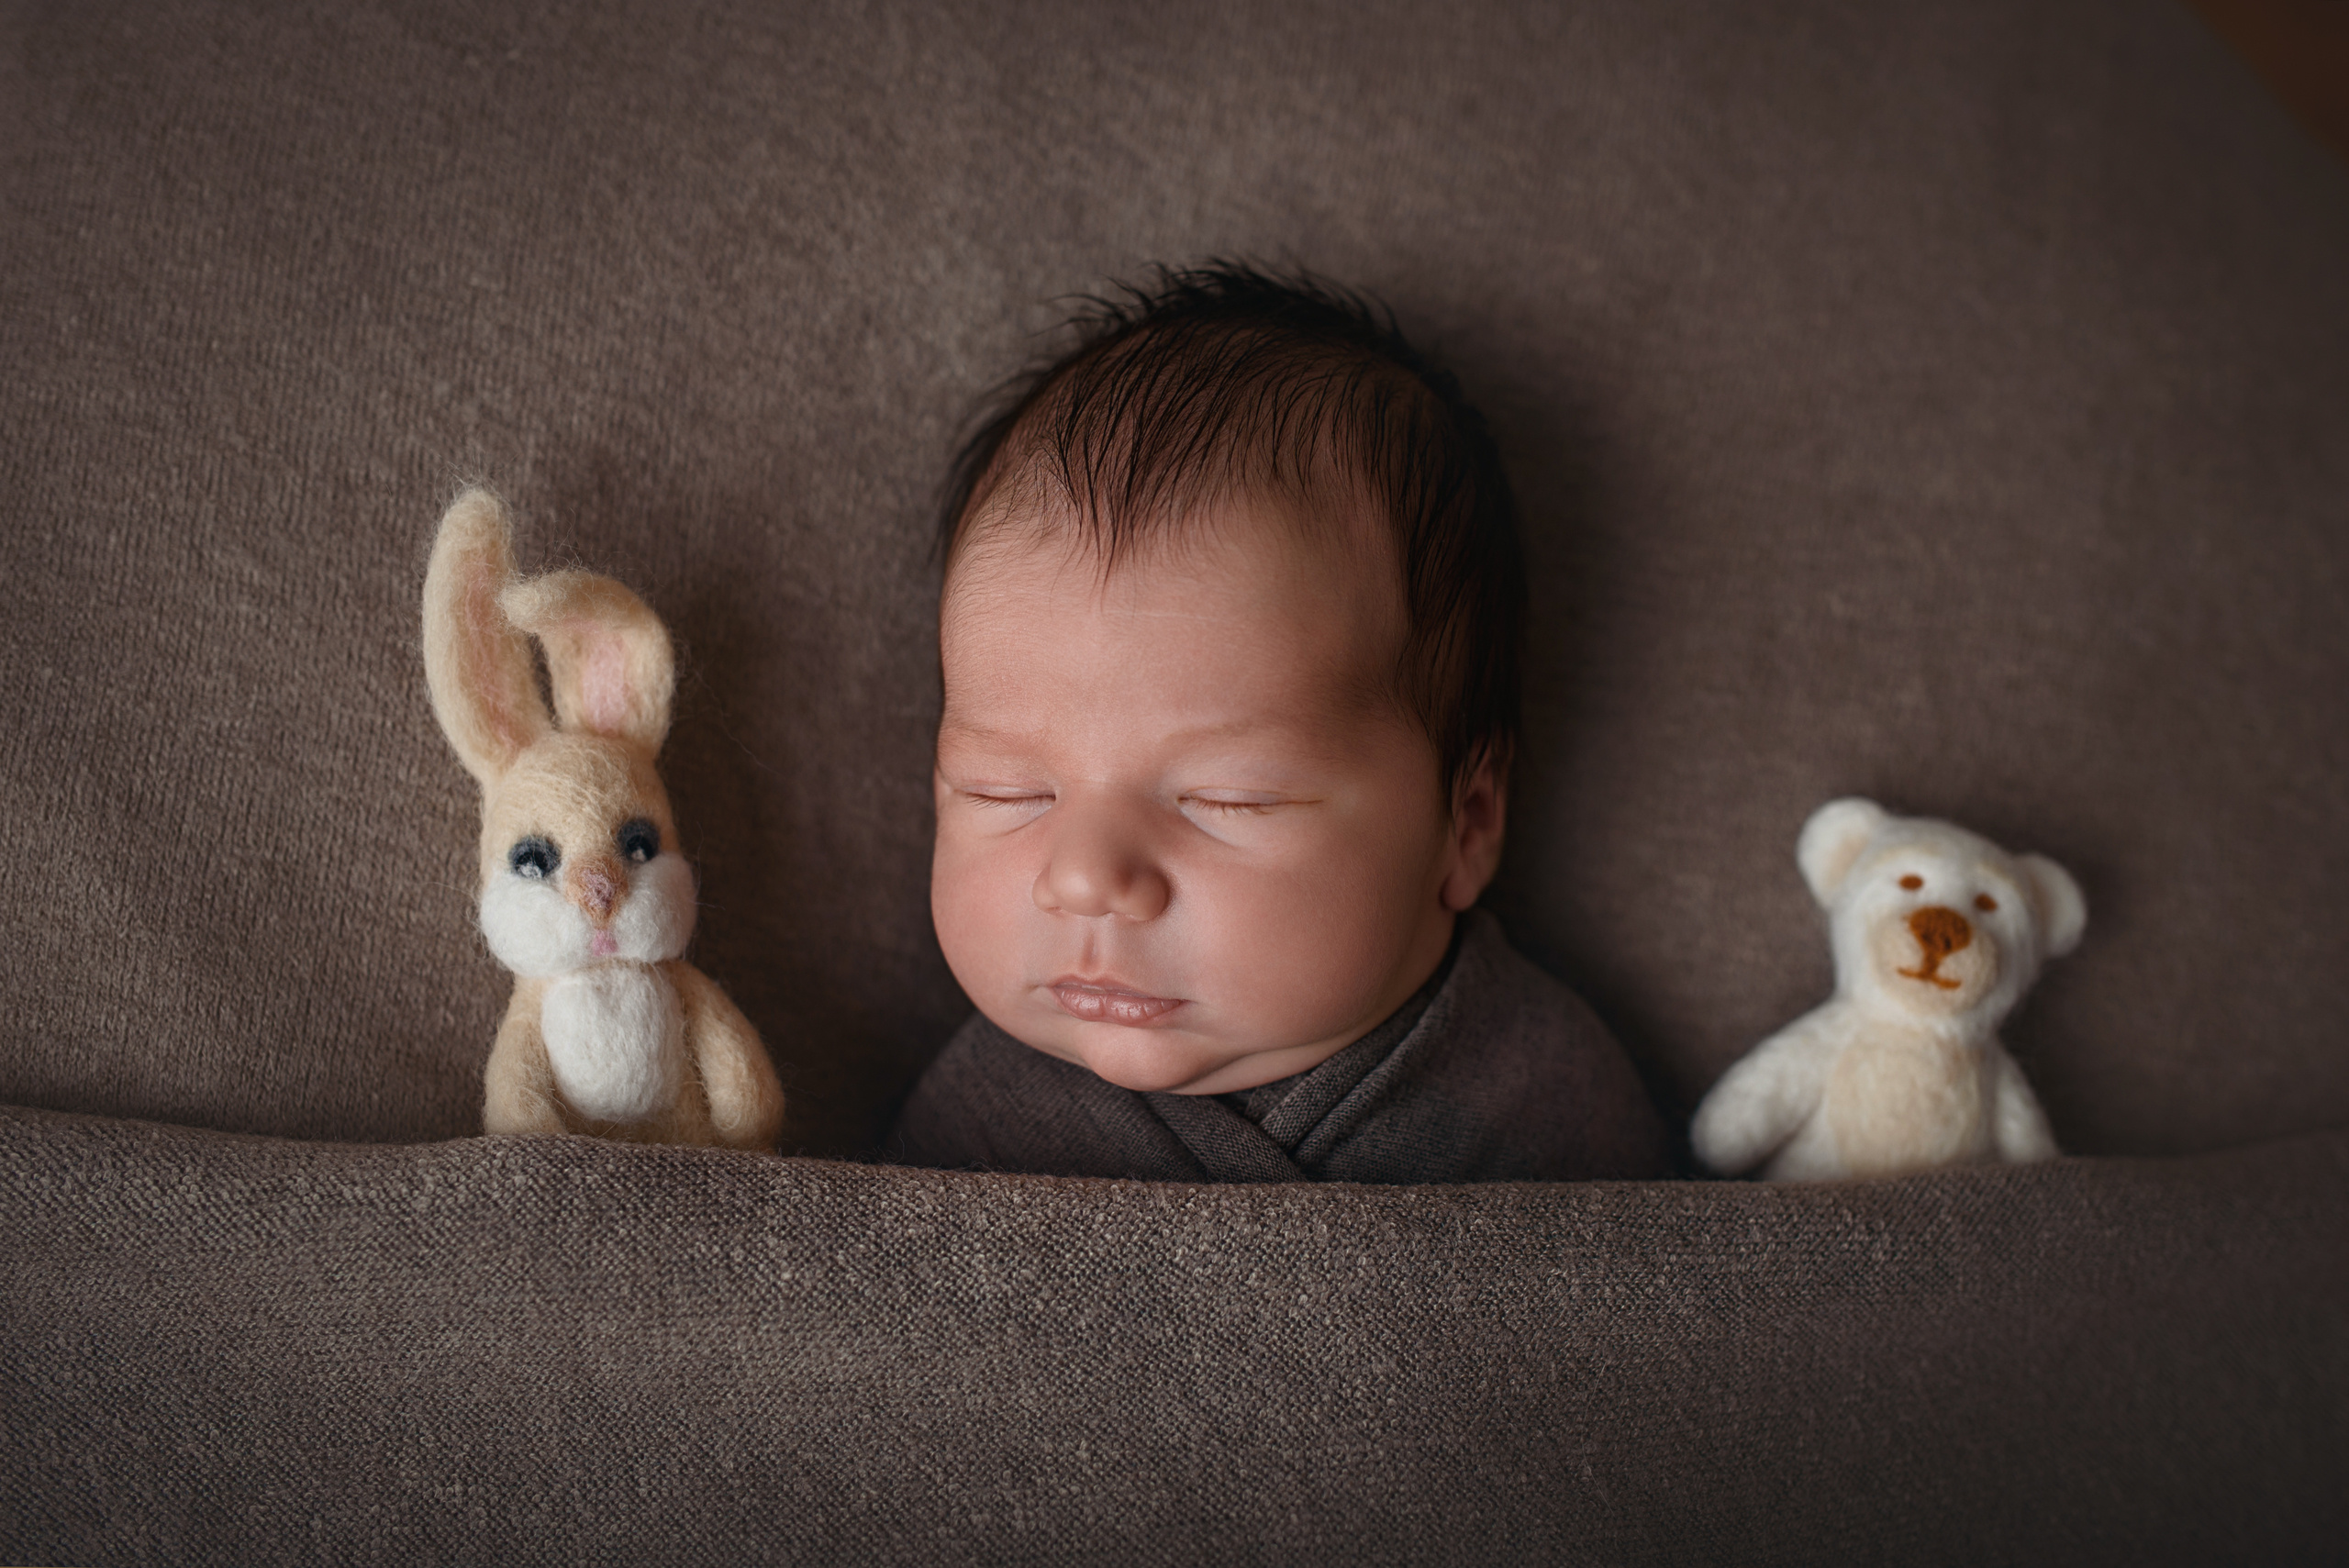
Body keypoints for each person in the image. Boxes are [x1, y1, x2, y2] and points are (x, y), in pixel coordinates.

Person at [885, 263, 1665, 1183]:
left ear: (1466, 822)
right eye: (1004, 789)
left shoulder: (1547, 1105)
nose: (1087, 876)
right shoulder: (977, 1127)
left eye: (1230, 798)